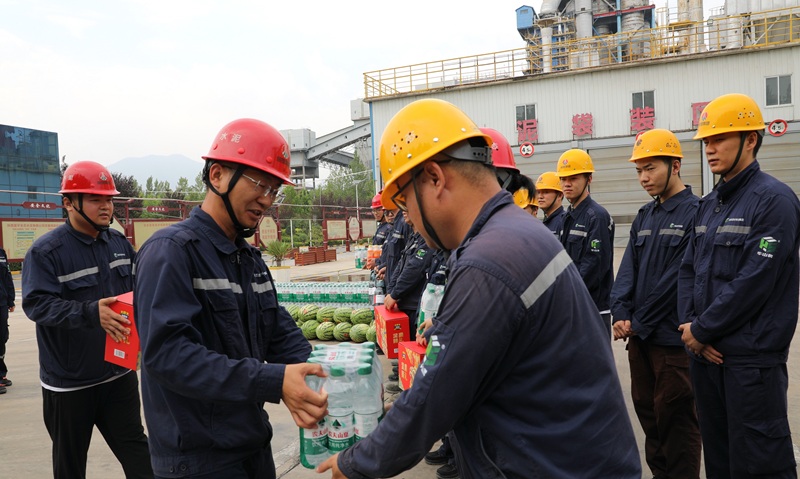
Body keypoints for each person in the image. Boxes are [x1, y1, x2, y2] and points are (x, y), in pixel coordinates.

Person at [318, 98, 640, 478]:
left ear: (435, 178)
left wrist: (354, 463)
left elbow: (436, 394)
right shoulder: (513, 233)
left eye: (405, 201)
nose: (410, 220)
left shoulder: (490, 260)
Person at [133, 118, 328, 478]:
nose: (267, 200)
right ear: (218, 175)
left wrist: (335, 378)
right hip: (198, 461)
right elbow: (168, 356)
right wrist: (273, 380)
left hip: (251, 447)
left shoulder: (249, 260)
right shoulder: (171, 252)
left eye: (274, 190)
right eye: (260, 185)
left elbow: (280, 334)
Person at [678, 93, 800, 478]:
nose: (710, 149)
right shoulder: (709, 203)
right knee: (720, 461)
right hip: (706, 358)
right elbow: (688, 270)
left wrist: (702, 329)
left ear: (751, 139)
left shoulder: (774, 200)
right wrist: (691, 330)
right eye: (706, 141)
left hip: (750, 365)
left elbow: (754, 281)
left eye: (720, 139)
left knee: (759, 465)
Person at [21, 161, 152, 479]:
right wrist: (91, 312)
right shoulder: (46, 252)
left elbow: (141, 293)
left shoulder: (119, 245)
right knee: (70, 464)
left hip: (117, 375)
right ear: (68, 203)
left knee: (140, 456)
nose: (106, 207)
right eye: (96, 199)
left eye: (109, 199)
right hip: (69, 385)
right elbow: (37, 305)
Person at [610, 129, 701, 479]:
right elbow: (627, 270)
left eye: (650, 168)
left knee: (676, 419)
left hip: (672, 342)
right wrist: (620, 311)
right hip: (641, 339)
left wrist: (639, 320)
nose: (644, 177)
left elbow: (678, 277)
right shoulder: (645, 215)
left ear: (675, 165)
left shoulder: (696, 212)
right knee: (648, 414)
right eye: (639, 170)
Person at [556, 149, 615, 336]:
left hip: (593, 308)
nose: (567, 184)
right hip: (572, 304)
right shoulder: (567, 217)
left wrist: (568, 296)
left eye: (573, 178)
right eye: (563, 179)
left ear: (589, 179)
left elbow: (594, 266)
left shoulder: (596, 216)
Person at [0, 245, 15, 394]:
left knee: (2, 337)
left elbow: (7, 277)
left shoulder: (1, 253)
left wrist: (11, 300)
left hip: (1, 303)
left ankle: (1, 373)